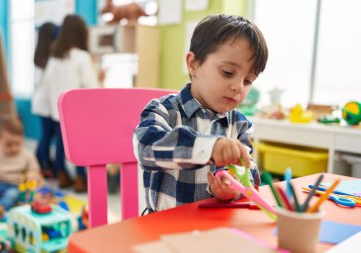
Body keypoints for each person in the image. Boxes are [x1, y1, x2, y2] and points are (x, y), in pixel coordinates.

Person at [133, 14, 268, 213]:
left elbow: (249, 175)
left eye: (247, 81)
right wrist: (207, 147)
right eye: (228, 72)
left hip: (213, 226)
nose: (238, 87)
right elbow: (146, 149)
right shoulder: (164, 110)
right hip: (163, 227)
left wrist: (232, 187)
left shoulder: (239, 125)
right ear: (193, 64)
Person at [42, 15, 102, 192]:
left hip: (58, 111)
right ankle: (80, 178)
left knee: (62, 145)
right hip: (78, 113)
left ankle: (61, 174)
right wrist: (100, 77)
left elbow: (47, 82)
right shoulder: (82, 57)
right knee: (80, 147)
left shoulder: (54, 57)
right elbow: (92, 87)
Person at [0, 117, 43, 220]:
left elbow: (34, 170)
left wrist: (32, 176)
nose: (14, 148)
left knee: (12, 195)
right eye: (8, 144)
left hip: (15, 186)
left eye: (17, 144)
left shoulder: (27, 155)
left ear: (22, 139)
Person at [32, 22, 59, 177]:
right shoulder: (47, 58)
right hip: (45, 103)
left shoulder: (41, 56)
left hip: (44, 102)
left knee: (47, 135)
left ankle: (43, 162)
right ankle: (43, 164)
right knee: (47, 135)